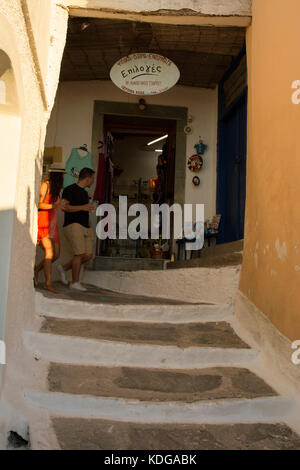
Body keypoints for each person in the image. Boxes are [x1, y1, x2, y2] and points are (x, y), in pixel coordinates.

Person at [57, 167, 96, 291]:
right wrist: (83, 207)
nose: (93, 181)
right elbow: (64, 208)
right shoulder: (69, 189)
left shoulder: (85, 193)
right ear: (88, 178)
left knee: (88, 255)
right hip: (73, 224)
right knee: (79, 254)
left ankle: (63, 268)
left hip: (86, 226)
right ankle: (74, 282)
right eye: (93, 178)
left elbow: (84, 209)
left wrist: (89, 222)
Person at [34, 164, 66, 293]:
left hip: (53, 225)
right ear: (58, 175)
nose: (64, 177)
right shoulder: (45, 185)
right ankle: (48, 283)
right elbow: (39, 204)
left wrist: (61, 206)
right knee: (49, 253)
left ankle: (36, 270)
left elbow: (56, 206)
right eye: (62, 175)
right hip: (43, 222)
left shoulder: (57, 189)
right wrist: (54, 206)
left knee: (56, 255)